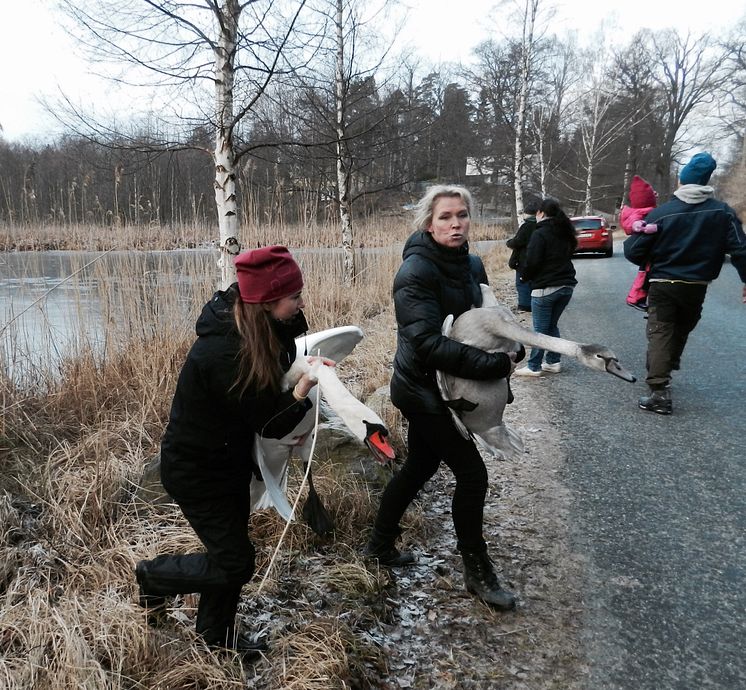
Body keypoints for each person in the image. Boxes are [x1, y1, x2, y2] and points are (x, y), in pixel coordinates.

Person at [135, 245, 327, 655]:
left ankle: (215, 636)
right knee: (235, 563)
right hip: (196, 472)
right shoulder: (224, 353)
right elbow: (268, 420)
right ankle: (155, 577)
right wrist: (303, 390)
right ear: (267, 302)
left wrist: (291, 324)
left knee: (230, 553)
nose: (302, 302)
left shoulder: (255, 327)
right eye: (294, 297)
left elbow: (286, 349)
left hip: (228, 464)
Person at [365, 184, 518, 611]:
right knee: (472, 475)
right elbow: (427, 344)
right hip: (422, 391)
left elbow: (489, 321)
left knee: (419, 466)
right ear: (428, 224)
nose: (456, 223)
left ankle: (378, 546)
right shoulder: (415, 272)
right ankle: (477, 572)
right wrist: (493, 367)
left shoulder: (471, 264)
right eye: (446, 217)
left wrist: (511, 348)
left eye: (462, 215)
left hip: (453, 387)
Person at [624, 152, 746, 415]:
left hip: (664, 283)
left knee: (660, 333)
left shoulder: (663, 213)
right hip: (697, 286)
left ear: (683, 180)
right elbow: (741, 250)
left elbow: (633, 251)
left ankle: (659, 391)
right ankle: (665, 365)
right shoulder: (722, 212)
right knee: (680, 329)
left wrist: (647, 245)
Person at [514, 197, 578, 377]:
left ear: (541, 213)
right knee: (551, 326)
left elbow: (532, 261)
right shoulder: (564, 231)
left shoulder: (540, 232)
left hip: (546, 288)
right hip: (567, 286)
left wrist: (525, 276)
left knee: (539, 331)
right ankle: (553, 361)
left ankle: (534, 366)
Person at [620, 175, 658, 311]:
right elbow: (633, 224)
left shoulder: (643, 210)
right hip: (642, 247)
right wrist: (645, 227)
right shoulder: (636, 213)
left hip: (643, 248)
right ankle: (635, 298)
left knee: (645, 272)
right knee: (644, 273)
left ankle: (636, 297)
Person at [506, 198, 541, 312]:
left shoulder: (526, 226)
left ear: (528, 214)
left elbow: (518, 241)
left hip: (524, 260)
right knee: (533, 282)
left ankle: (525, 305)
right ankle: (534, 303)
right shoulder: (540, 226)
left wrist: (509, 242)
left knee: (522, 283)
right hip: (537, 259)